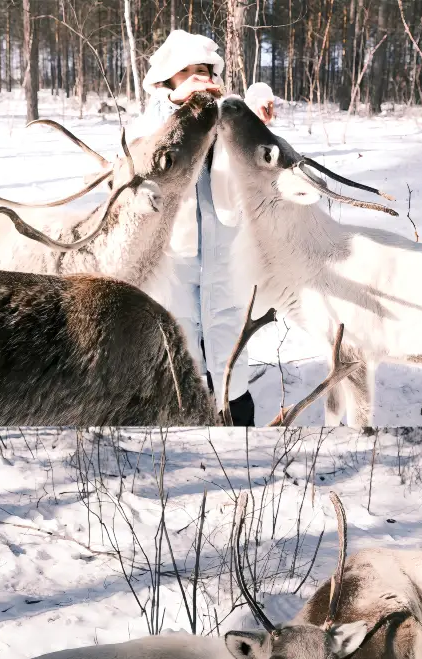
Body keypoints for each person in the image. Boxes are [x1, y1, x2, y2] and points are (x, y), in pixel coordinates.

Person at [127, 30, 276, 427]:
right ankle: (188, 421)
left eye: (204, 71)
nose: (198, 78)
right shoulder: (150, 121)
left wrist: (256, 113)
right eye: (188, 71)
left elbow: (263, 150)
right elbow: (142, 151)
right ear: (166, 81)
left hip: (225, 250)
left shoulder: (227, 115)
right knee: (180, 340)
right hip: (174, 254)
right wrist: (181, 108)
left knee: (230, 343)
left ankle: (237, 421)